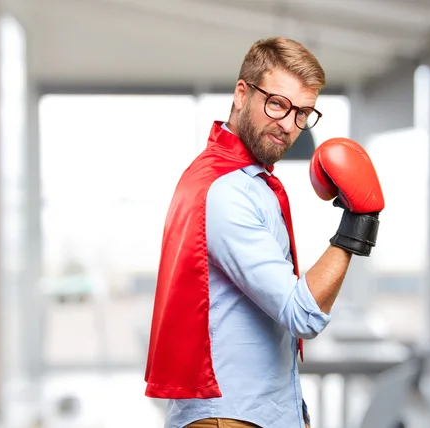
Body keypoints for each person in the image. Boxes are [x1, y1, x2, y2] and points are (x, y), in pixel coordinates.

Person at [144, 36, 385, 428]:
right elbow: (302, 314)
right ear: (242, 93)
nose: (289, 125)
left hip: (252, 413)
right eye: (278, 104)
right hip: (229, 418)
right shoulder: (227, 191)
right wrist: (359, 222)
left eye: (303, 113)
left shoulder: (241, 180)